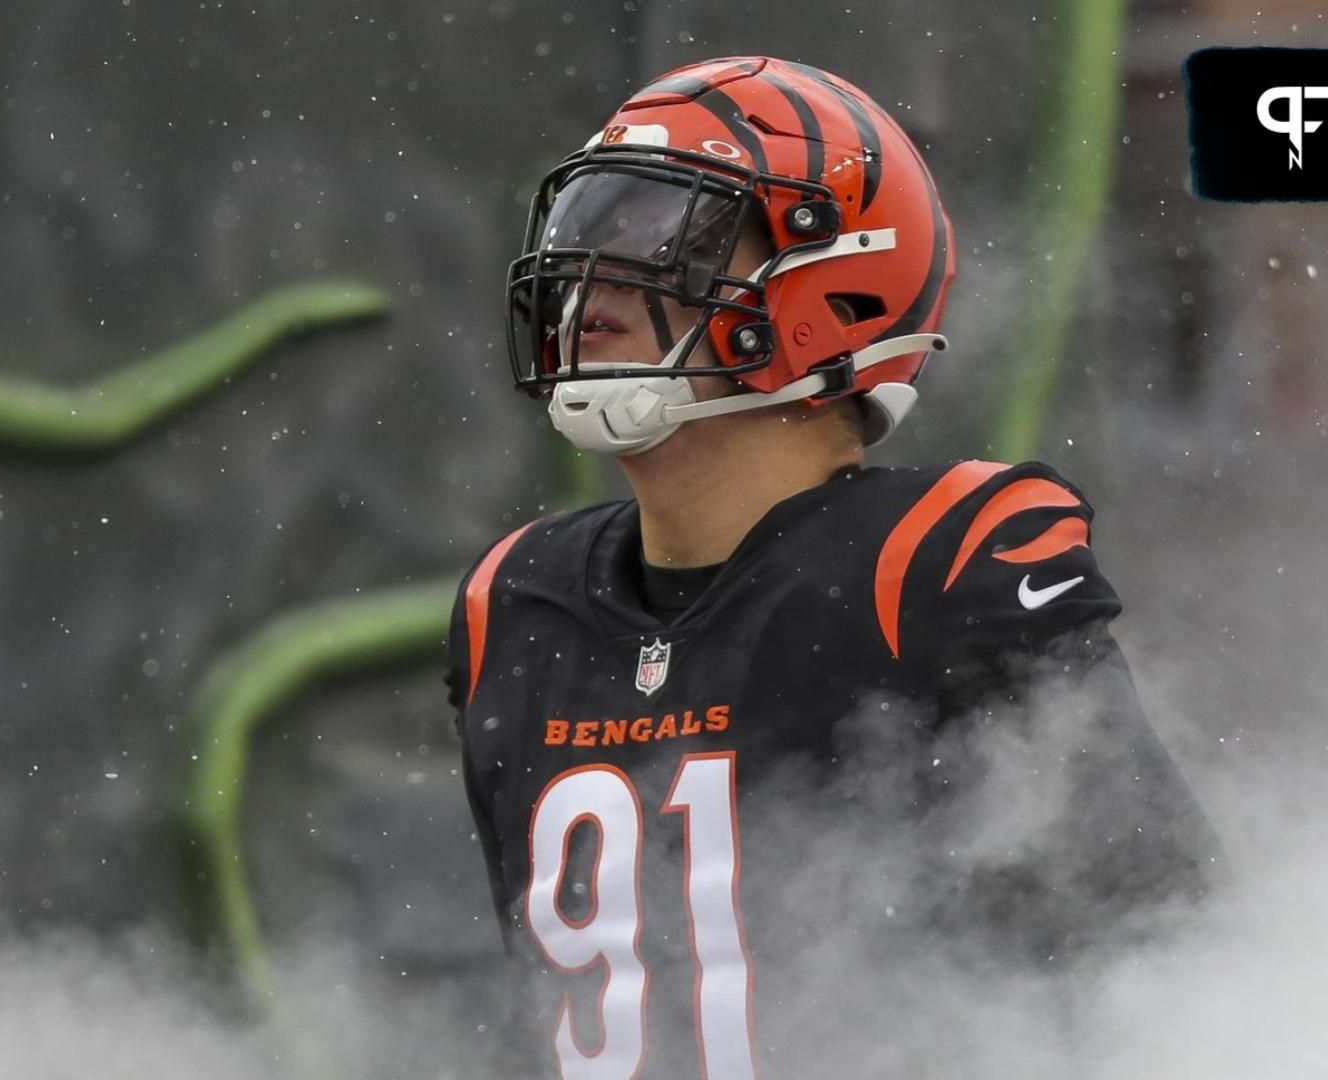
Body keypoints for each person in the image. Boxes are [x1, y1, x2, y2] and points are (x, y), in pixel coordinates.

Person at [446, 55, 1218, 1079]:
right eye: (585, 225)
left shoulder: (933, 564)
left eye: (655, 226)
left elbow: (1171, 966)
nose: (592, 272)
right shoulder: (517, 600)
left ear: (832, 285)